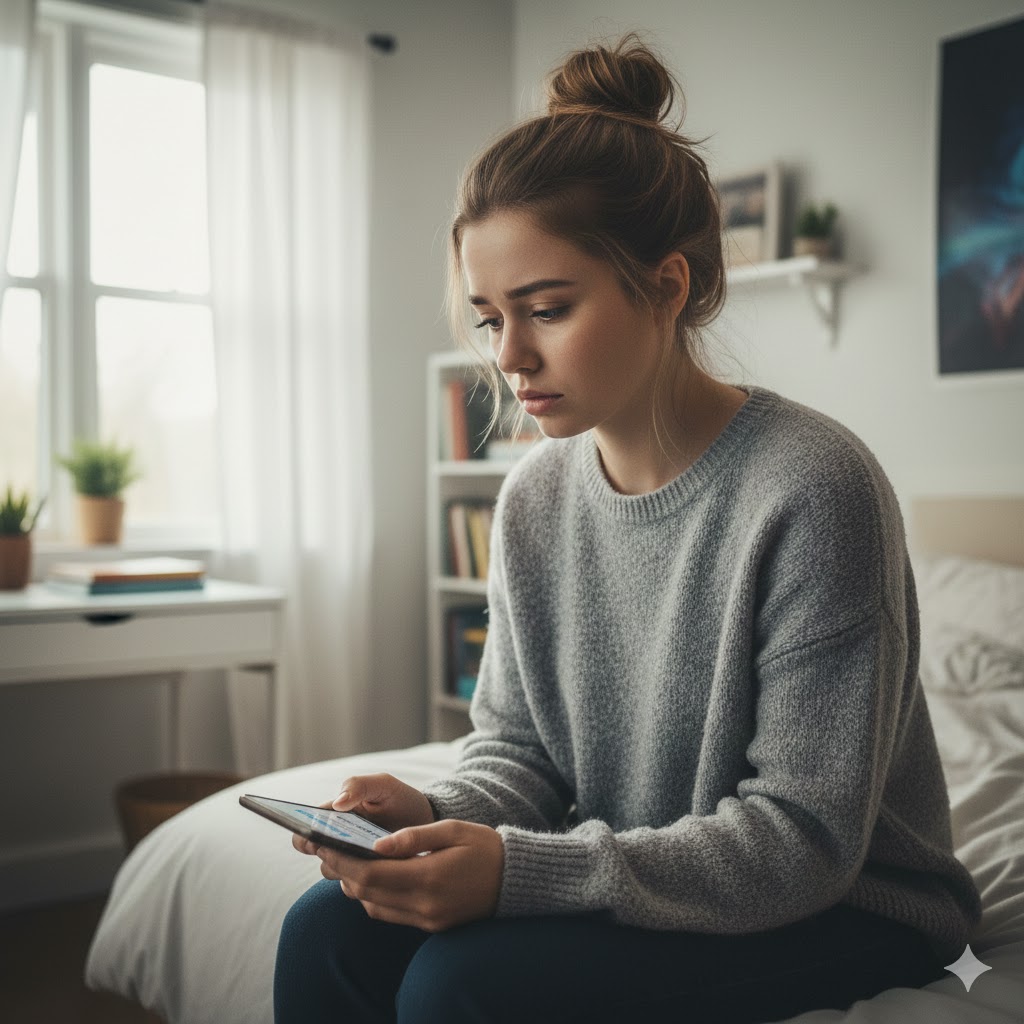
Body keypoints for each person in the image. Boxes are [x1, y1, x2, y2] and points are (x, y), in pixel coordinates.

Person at [273, 33, 981, 1024]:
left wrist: (518, 872)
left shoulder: (814, 488)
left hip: (850, 905)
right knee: (325, 930)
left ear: (667, 284)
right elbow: (519, 754)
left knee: (460, 988)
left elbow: (802, 841)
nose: (510, 355)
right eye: (488, 318)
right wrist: (437, 814)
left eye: (546, 308)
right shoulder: (532, 499)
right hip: (650, 860)